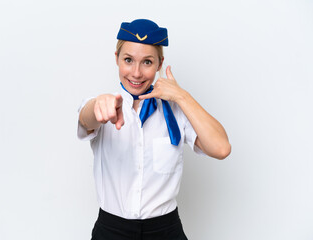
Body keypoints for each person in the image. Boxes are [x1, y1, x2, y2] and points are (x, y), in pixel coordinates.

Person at [78, 19, 231, 240]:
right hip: (111, 231)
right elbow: (87, 119)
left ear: (160, 64)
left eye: (147, 62)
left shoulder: (177, 110)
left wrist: (181, 96)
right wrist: (97, 107)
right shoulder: (105, 105)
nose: (137, 73)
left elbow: (221, 148)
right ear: (117, 59)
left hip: (165, 231)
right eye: (128, 60)